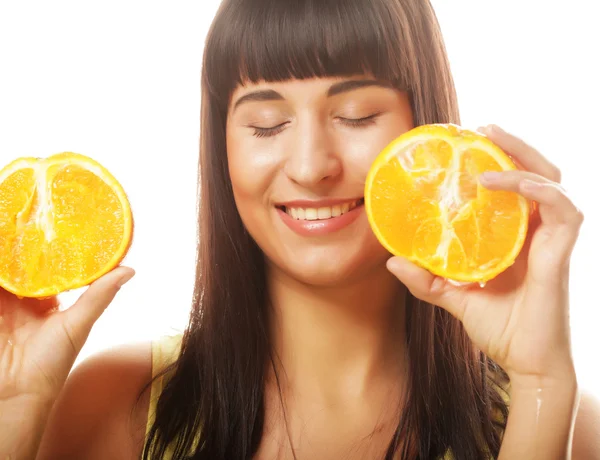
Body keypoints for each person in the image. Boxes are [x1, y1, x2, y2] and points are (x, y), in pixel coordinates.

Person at [1, 0, 599, 458]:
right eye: (265, 124)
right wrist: (15, 414)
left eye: (357, 115)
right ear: (222, 151)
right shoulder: (115, 406)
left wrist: (542, 384)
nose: (313, 167)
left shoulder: (569, 425)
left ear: (426, 123)